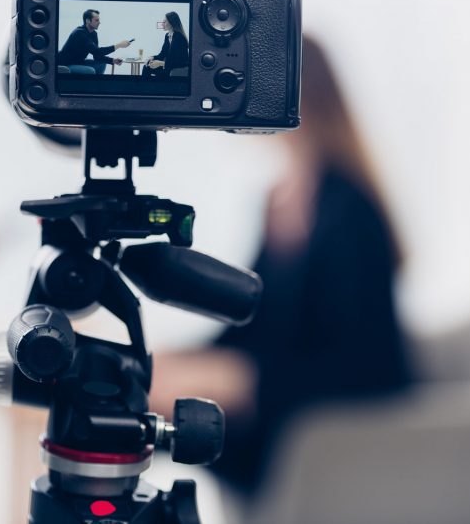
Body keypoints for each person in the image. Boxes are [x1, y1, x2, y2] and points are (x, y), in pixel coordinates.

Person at [150, 36, 412, 498]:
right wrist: (187, 360)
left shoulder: (348, 209)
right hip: (282, 406)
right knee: (128, 392)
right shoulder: (280, 197)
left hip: (319, 424)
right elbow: (252, 321)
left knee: (134, 417)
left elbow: (369, 367)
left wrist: (247, 380)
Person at [57, 9, 131, 75]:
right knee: (90, 71)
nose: (99, 22)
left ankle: (96, 87)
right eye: (96, 20)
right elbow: (98, 51)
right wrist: (119, 45)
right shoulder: (79, 33)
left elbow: (97, 55)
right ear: (87, 21)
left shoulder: (93, 34)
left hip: (79, 62)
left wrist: (112, 60)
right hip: (66, 64)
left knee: (102, 64)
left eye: (98, 20)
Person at [142, 11, 189, 78]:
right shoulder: (167, 36)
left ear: (171, 23)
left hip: (176, 68)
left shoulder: (180, 37)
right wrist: (152, 57)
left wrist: (161, 63)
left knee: (149, 69)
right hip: (168, 66)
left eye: (164, 22)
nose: (162, 24)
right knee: (146, 67)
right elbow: (162, 54)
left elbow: (180, 62)